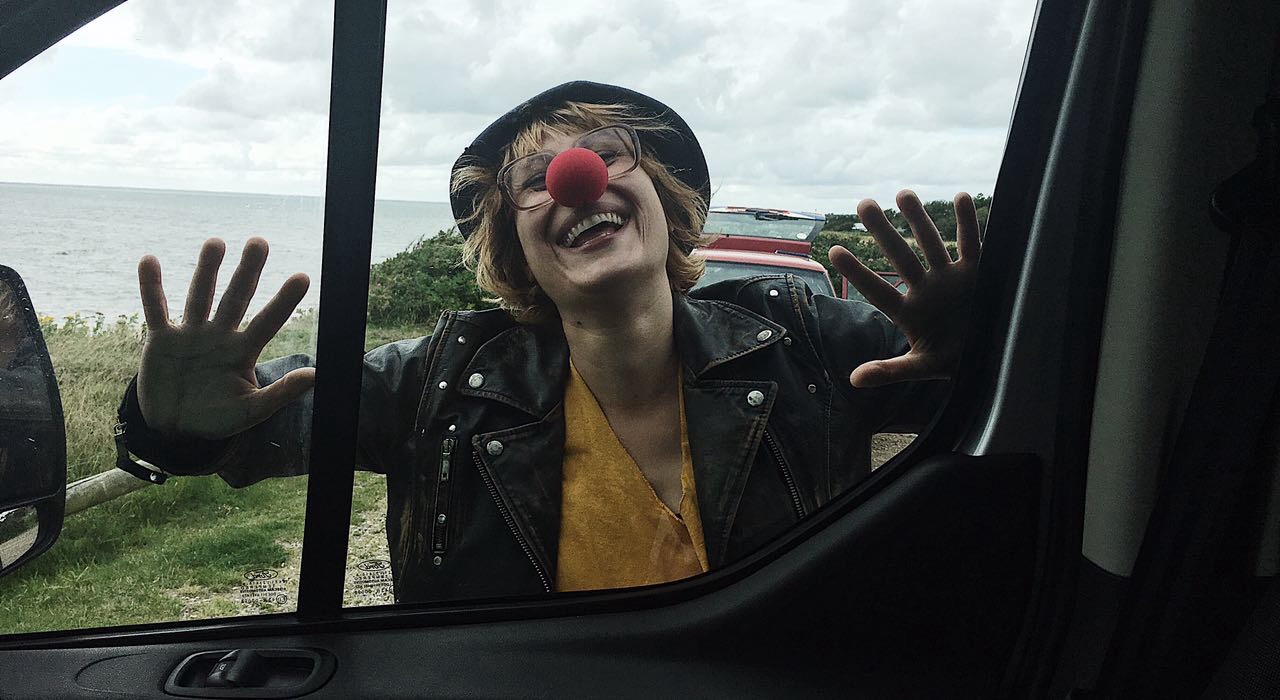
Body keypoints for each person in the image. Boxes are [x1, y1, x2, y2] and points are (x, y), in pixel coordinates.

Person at [116, 81, 980, 603]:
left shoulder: (806, 337)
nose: (577, 177)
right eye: (534, 180)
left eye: (608, 154)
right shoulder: (438, 379)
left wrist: (982, 341)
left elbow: (997, 402)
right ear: (515, 251)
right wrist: (173, 422)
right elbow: (260, 420)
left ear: (665, 204)